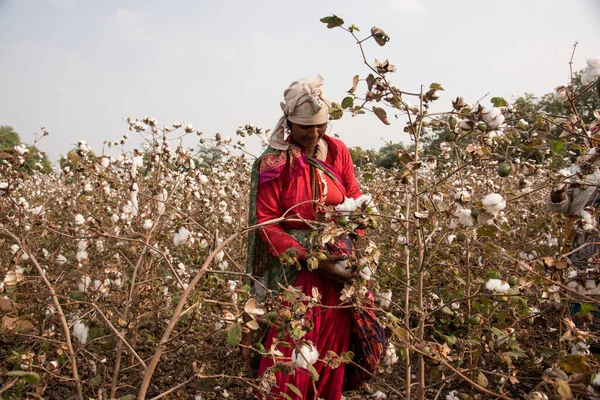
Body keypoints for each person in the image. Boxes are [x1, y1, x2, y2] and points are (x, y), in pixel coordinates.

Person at [245, 75, 382, 399]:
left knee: (331, 354)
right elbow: (266, 222)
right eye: (306, 127)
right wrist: (312, 260)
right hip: (298, 273)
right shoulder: (272, 163)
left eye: (321, 125)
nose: (315, 133)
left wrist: (353, 246)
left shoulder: (337, 151)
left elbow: (353, 197)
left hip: (339, 272)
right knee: (289, 354)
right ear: (289, 123)